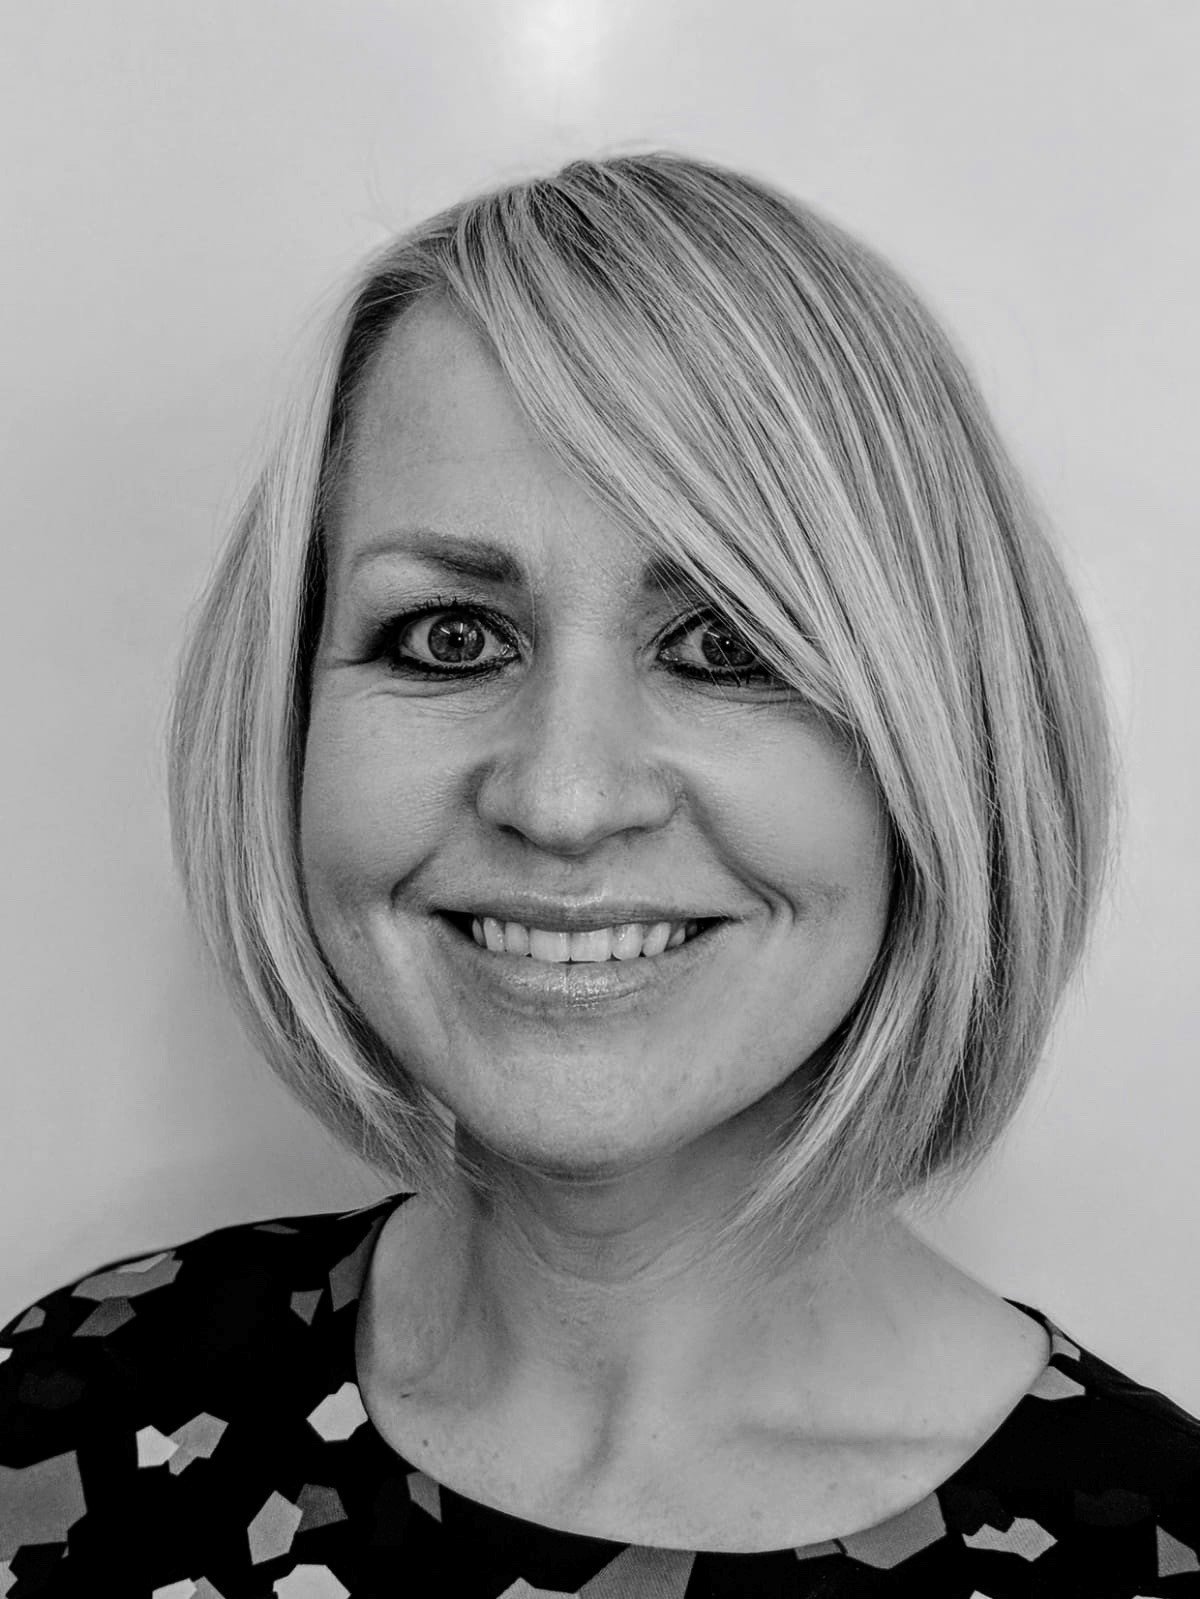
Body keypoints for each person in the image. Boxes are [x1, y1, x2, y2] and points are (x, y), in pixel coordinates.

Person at [2, 149, 1197, 1597]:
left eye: (731, 646)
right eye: (450, 636)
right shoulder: (72, 1408)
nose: (563, 798)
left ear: (946, 747)